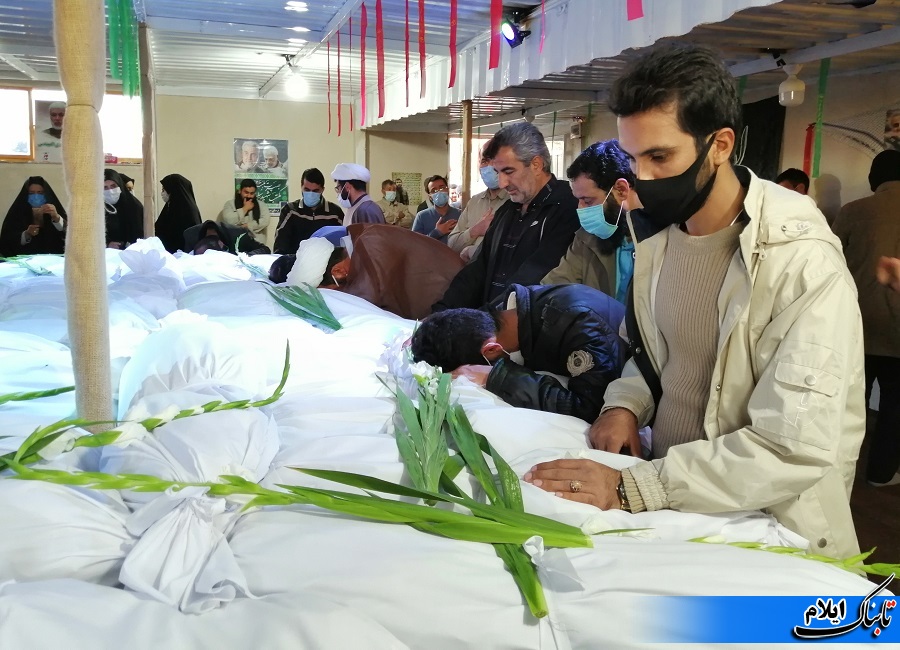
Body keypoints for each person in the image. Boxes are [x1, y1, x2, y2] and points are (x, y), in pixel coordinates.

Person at [524, 43, 865, 560]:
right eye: (634, 159)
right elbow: (656, 354)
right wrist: (624, 404)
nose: (643, 178)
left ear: (720, 144)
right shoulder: (657, 243)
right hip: (676, 506)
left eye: (661, 156)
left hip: (765, 528)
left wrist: (634, 487)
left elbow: (792, 445)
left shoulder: (800, 262)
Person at [412, 283, 626, 423]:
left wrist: (496, 376)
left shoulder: (580, 325)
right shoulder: (503, 316)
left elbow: (590, 408)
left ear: (492, 350)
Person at [433, 122, 580, 312]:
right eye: (497, 172)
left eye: (508, 171)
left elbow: (534, 278)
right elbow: (477, 270)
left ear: (536, 164)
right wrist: (442, 312)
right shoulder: (508, 210)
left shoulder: (566, 208)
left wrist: (489, 318)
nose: (502, 183)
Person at [832, 149, 900, 487]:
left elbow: (829, 263)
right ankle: (881, 474)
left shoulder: (852, 211)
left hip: (854, 324)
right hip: (896, 330)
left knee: (847, 403)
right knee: (895, 405)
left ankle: (834, 475)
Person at [542, 140, 635, 301]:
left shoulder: (660, 240)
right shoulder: (587, 239)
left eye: (588, 201)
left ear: (621, 190)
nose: (580, 208)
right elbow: (554, 286)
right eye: (578, 200)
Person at [325, 224, 465, 320]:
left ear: (338, 271)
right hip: (447, 293)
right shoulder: (361, 241)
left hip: (454, 290)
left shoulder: (369, 242)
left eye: (334, 290)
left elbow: (364, 302)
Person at [447, 152, 509, 260]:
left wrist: (474, 251)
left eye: (494, 160)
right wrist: (475, 230)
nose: (489, 166)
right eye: (484, 161)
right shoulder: (474, 202)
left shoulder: (517, 200)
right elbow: (452, 244)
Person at [274, 168, 345, 254]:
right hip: (295, 260)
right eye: (307, 190)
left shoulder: (335, 213)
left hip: (325, 260)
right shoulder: (290, 211)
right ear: (301, 187)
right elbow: (280, 243)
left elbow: (343, 243)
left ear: (322, 189)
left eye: (315, 191)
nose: (311, 194)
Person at [0, 176, 66, 256]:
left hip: (53, 259)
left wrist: (56, 218)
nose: (36, 196)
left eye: (40, 193)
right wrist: (26, 234)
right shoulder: (17, 212)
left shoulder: (54, 210)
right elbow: (7, 240)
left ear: (46, 194)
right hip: (24, 259)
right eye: (31, 193)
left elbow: (69, 236)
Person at [155, 173, 202, 253]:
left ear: (173, 190)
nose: (162, 193)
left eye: (164, 190)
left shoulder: (187, 211)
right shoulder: (171, 207)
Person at [411, 175, 460, 243]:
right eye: (434, 190)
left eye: (442, 188)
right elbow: (415, 243)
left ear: (448, 190)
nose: (439, 192)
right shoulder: (421, 216)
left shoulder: (460, 214)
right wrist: (437, 232)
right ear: (430, 196)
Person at [103, 169, 144, 249]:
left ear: (120, 186)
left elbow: (140, 233)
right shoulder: (97, 209)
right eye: (105, 187)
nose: (110, 191)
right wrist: (107, 244)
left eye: (113, 186)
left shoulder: (134, 206)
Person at [184, 220, 269, 256]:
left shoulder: (238, 234)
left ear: (224, 246)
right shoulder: (190, 236)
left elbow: (265, 249)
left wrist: (243, 256)